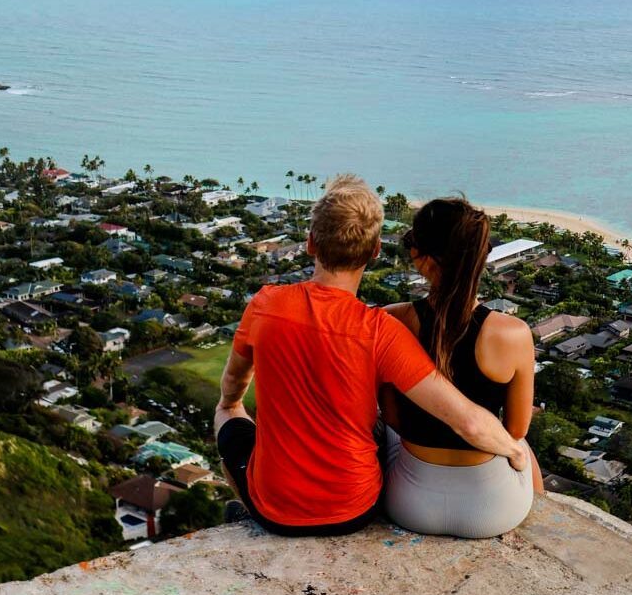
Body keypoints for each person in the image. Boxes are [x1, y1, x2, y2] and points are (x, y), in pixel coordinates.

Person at [214, 175, 528, 537]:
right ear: (375, 250)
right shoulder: (381, 330)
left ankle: (251, 511)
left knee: (228, 414)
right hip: (355, 509)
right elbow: (468, 421)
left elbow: (234, 382)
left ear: (311, 243)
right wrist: (514, 451)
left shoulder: (266, 304)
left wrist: (232, 403)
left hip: (278, 513)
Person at [381, 197, 544, 539]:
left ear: (418, 255)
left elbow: (394, 417)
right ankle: (540, 509)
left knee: (384, 430)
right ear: (480, 259)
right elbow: (515, 428)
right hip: (492, 509)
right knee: (522, 445)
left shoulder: (392, 321)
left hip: (409, 504)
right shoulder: (512, 334)